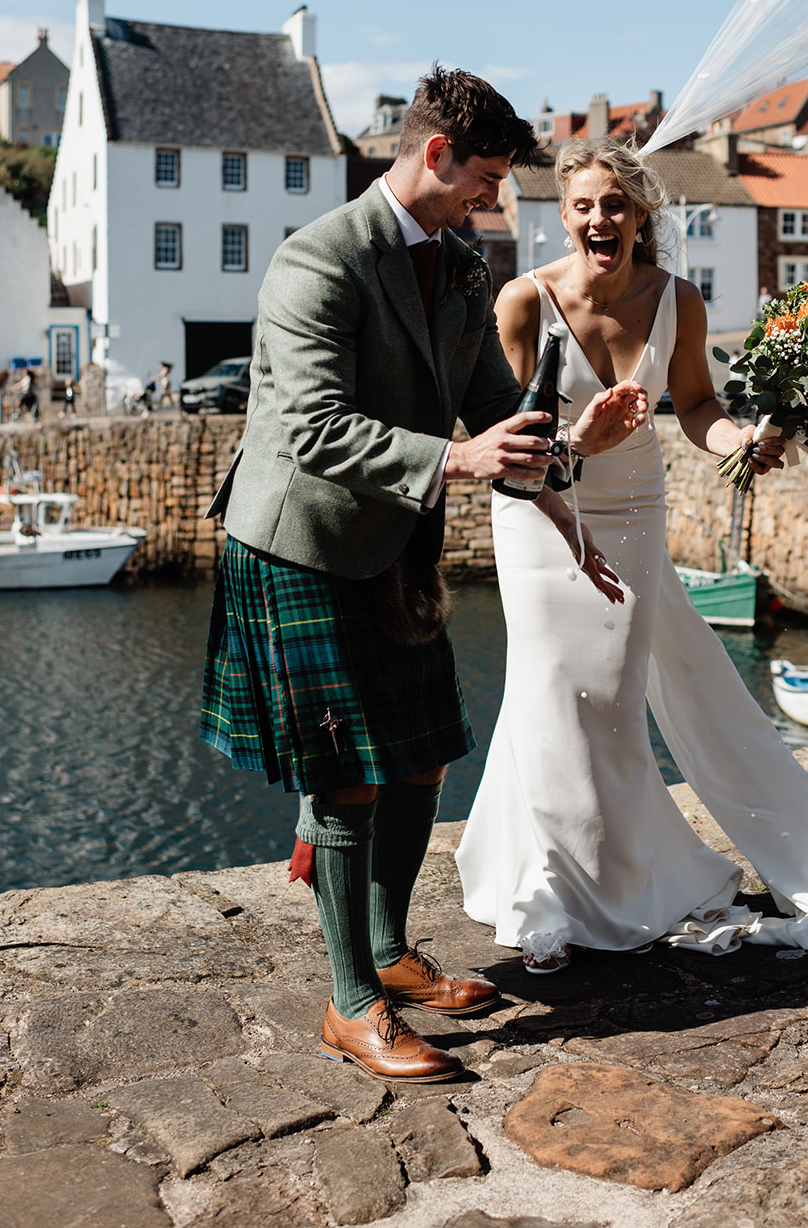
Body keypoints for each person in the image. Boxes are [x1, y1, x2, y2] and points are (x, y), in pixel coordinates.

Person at [200, 70, 643, 1085]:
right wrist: (458, 461)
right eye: (485, 180)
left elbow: (498, 417)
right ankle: (350, 1005)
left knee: (423, 758)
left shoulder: (461, 264)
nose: (494, 202)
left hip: (392, 542)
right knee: (346, 775)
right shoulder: (320, 261)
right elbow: (311, 429)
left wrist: (573, 449)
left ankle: (390, 954)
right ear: (436, 156)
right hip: (300, 541)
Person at [456, 138, 808, 972]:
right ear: (564, 215)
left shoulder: (677, 299)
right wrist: (579, 442)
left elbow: (695, 405)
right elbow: (504, 444)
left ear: (641, 213)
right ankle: (546, 890)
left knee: (612, 697)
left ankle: (603, 869)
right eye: (582, 205)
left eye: (613, 204)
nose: (597, 218)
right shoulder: (522, 302)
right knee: (552, 688)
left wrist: (738, 444)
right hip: (543, 516)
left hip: (636, 511)